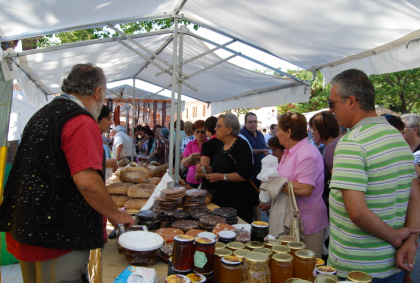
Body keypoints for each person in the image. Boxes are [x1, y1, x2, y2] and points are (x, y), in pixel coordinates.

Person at [0, 63, 134, 282]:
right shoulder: (80, 120)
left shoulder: (41, 115)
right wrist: (116, 215)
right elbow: (87, 182)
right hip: (57, 238)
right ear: (98, 92)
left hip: (28, 229)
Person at [328, 69, 420, 281]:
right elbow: (415, 194)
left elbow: (358, 212)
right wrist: (410, 239)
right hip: (393, 265)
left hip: (355, 268)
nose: (331, 110)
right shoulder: (398, 139)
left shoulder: (352, 142)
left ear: (351, 101)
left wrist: (397, 237)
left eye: (332, 103)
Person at [276, 112, 328, 258]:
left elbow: (305, 189)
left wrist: (275, 186)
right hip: (292, 218)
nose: (276, 133)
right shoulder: (289, 152)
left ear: (288, 132)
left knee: (306, 268)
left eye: (279, 130)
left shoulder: (307, 153)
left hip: (306, 222)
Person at [197, 113, 258, 223]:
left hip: (238, 203)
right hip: (221, 200)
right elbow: (217, 168)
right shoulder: (220, 145)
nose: (215, 129)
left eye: (218, 126)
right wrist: (204, 169)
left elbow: (244, 174)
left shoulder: (242, 146)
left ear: (229, 130)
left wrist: (220, 177)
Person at [308, 111, 340, 206]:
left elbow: (336, 182)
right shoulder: (332, 145)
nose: (312, 133)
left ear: (323, 129)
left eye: (314, 129)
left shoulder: (331, 148)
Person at [181, 120, 208, 188]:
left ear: (206, 132)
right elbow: (183, 164)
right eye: (197, 131)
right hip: (191, 179)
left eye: (202, 132)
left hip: (205, 179)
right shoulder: (190, 145)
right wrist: (189, 158)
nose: (200, 134)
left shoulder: (209, 144)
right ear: (193, 132)